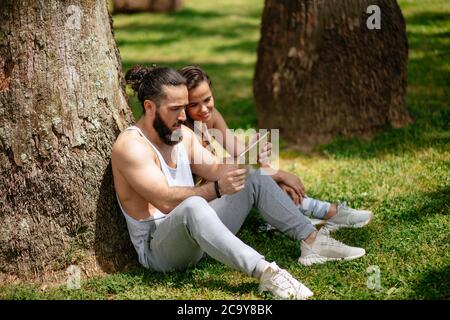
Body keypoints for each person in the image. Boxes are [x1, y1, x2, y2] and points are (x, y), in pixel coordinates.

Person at [111, 65, 367, 300]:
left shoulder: (183, 135)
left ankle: (312, 242)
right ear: (149, 107)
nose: (182, 116)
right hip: (159, 249)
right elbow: (165, 201)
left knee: (253, 178)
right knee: (193, 205)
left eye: (183, 107)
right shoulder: (131, 147)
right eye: (175, 109)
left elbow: (218, 169)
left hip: (199, 234)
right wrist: (216, 190)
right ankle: (267, 274)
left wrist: (268, 171)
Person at [178, 65, 373, 231]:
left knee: (261, 175)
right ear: (183, 105)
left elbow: (238, 153)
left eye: (207, 99)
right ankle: (324, 212)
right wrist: (279, 174)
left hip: (223, 191)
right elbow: (222, 173)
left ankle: (310, 212)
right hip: (201, 209)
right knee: (259, 176)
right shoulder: (183, 134)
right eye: (194, 104)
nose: (203, 109)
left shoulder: (209, 117)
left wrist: (254, 149)